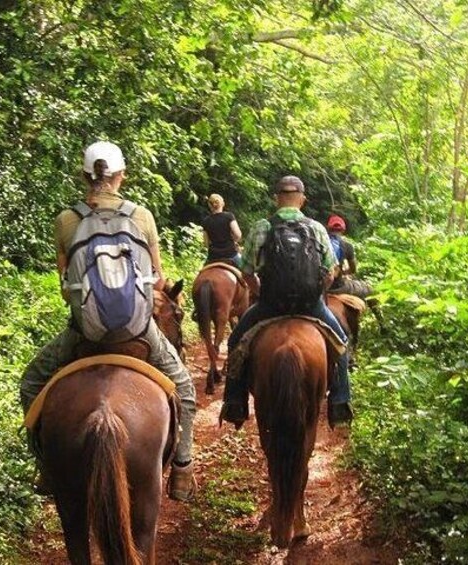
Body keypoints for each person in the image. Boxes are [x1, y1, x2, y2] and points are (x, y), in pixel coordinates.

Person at [20, 141, 197, 501]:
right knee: (186, 391)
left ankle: (46, 468)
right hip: (139, 331)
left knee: (31, 383)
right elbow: (158, 280)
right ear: (121, 176)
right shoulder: (142, 216)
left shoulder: (67, 220)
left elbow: (65, 288)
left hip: (85, 332)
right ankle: (181, 468)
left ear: (85, 175)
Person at [219, 175, 353, 429]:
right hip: (311, 305)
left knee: (236, 340)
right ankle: (340, 401)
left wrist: (261, 291)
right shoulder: (316, 228)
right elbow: (332, 270)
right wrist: (317, 291)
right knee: (342, 344)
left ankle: (234, 401)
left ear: (276, 199)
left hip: (270, 305)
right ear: (302, 200)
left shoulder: (263, 227)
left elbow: (246, 270)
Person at [326, 214, 373, 299]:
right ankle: (377, 312)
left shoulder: (320, 242)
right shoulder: (347, 246)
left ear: (328, 228)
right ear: (343, 230)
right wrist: (344, 272)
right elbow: (353, 269)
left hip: (318, 285)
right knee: (368, 289)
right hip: (336, 286)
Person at [201, 193, 242, 267]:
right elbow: (238, 235)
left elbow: (206, 244)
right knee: (247, 273)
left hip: (213, 257)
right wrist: (234, 240)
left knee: (200, 274)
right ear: (223, 204)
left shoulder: (206, 221)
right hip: (231, 255)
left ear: (210, 205)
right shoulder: (229, 216)